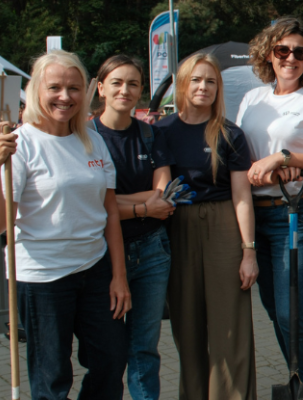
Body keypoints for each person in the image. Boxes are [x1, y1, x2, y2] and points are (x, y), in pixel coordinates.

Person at [0, 50, 131, 398]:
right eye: (54, 87)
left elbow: (110, 212)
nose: (65, 96)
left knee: (111, 361)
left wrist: (119, 276)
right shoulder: (19, 145)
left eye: (73, 88)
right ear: (37, 90)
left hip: (95, 269)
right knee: (52, 377)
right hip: (43, 277)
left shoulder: (92, 139)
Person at [237, 17, 303, 394]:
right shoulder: (253, 99)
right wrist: (266, 171)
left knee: (292, 311)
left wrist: (285, 158)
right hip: (256, 214)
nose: (291, 58)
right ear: (269, 54)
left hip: (297, 213)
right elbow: (245, 162)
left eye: (300, 52)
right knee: (273, 308)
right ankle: (296, 377)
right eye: (283, 50)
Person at [156, 53, 257, 399]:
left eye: (210, 81)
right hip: (177, 227)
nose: (203, 87)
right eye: (196, 80)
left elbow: (242, 196)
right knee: (188, 327)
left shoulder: (230, 134)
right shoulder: (160, 132)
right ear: (182, 85)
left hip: (223, 225)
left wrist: (248, 252)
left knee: (230, 328)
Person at [93, 55, 176, 400]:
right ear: (100, 88)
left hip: (152, 252)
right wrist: (141, 205)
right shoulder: (86, 137)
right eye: (116, 82)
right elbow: (93, 204)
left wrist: (116, 202)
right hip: (101, 256)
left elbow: (165, 198)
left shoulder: (149, 135)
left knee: (144, 349)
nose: (124, 90)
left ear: (141, 90)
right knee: (108, 352)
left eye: (132, 83)